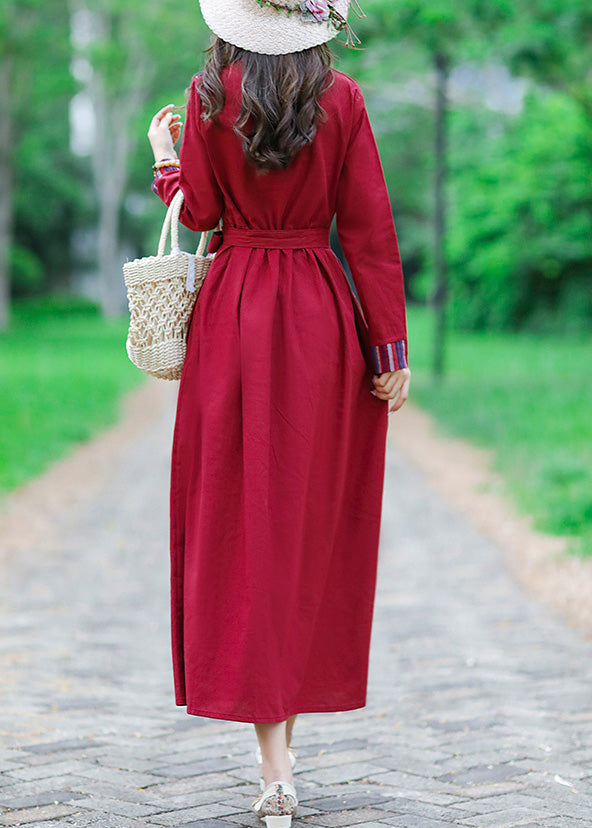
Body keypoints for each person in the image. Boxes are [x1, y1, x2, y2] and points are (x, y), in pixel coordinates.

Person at [147, 0, 410, 824]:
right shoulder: (344, 101)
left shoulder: (207, 96)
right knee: (304, 527)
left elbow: (196, 215)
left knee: (244, 525)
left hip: (233, 319)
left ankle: (274, 765)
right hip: (321, 321)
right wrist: (389, 348)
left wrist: (165, 161)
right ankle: (281, 755)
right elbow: (367, 230)